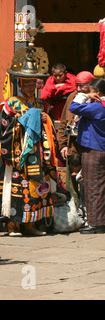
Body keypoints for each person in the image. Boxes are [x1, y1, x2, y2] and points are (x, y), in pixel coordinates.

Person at [0, 36, 58, 237]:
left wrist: (44, 118)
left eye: (32, 83)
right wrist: (27, 120)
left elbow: (47, 125)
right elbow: (4, 128)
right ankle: (13, 225)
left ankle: (31, 224)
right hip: (18, 154)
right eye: (25, 83)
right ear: (19, 83)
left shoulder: (39, 104)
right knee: (16, 188)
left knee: (37, 188)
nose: (29, 86)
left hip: (38, 154)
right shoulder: (12, 104)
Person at [69, 78, 105, 234]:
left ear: (97, 92)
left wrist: (85, 96)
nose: (85, 92)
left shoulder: (97, 107)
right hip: (99, 148)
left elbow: (73, 106)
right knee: (99, 186)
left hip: (93, 149)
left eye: (89, 90)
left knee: (93, 186)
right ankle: (99, 221)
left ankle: (95, 223)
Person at [57, 71, 96, 209]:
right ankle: (76, 212)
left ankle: (90, 214)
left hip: (90, 148)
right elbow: (63, 122)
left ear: (91, 85)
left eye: (82, 86)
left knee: (90, 183)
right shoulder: (72, 97)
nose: (78, 89)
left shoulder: (96, 99)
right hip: (72, 146)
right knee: (71, 184)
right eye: (77, 85)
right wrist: (62, 145)